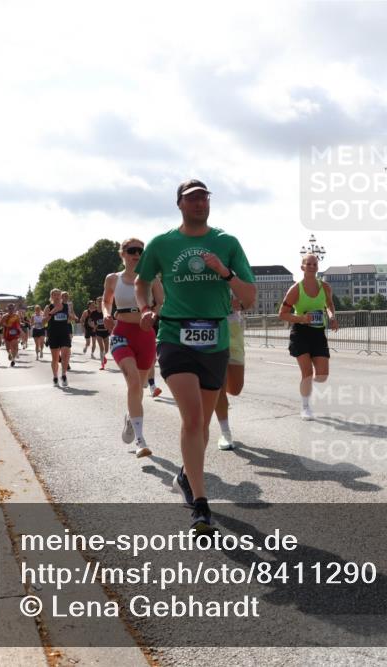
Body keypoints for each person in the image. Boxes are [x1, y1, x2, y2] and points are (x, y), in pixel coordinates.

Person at [134, 179, 256, 534]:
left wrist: (225, 272)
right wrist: (145, 307)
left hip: (215, 337)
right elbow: (142, 281)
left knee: (202, 425)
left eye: (204, 197)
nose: (199, 203)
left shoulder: (227, 243)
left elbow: (248, 297)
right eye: (192, 198)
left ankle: (187, 475)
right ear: (180, 205)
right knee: (191, 420)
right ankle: (201, 506)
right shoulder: (162, 243)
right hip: (174, 334)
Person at [103, 238, 165, 458]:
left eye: (140, 250)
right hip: (121, 333)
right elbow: (106, 302)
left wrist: (153, 314)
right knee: (132, 382)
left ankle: (130, 418)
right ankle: (140, 440)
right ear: (123, 254)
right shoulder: (113, 278)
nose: (137, 254)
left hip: (145, 334)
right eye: (132, 250)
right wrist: (107, 315)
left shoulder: (152, 279)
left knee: (137, 387)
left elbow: (161, 302)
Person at [279, 254, 338, 420]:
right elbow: (282, 314)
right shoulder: (296, 289)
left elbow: (329, 305)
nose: (312, 266)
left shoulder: (325, 287)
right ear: (302, 267)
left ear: (317, 267)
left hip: (318, 333)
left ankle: (308, 382)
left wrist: (332, 317)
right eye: (309, 264)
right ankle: (305, 407)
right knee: (306, 373)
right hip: (301, 333)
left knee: (322, 375)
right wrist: (302, 319)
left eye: (315, 264)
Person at [214, 294, 246, 449]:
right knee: (219, 387)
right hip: (214, 329)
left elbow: (250, 298)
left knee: (235, 389)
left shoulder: (235, 273)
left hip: (234, 330)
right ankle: (225, 433)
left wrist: (241, 302)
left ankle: (213, 392)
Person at [45, 289, 73, 387]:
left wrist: (72, 317)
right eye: (54, 295)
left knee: (65, 355)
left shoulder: (66, 306)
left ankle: (64, 375)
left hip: (64, 333)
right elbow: (44, 321)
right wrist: (53, 311)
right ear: (51, 297)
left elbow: (69, 316)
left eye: (58, 295)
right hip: (53, 334)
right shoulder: (48, 307)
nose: (57, 297)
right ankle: (55, 377)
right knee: (55, 358)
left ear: (61, 296)